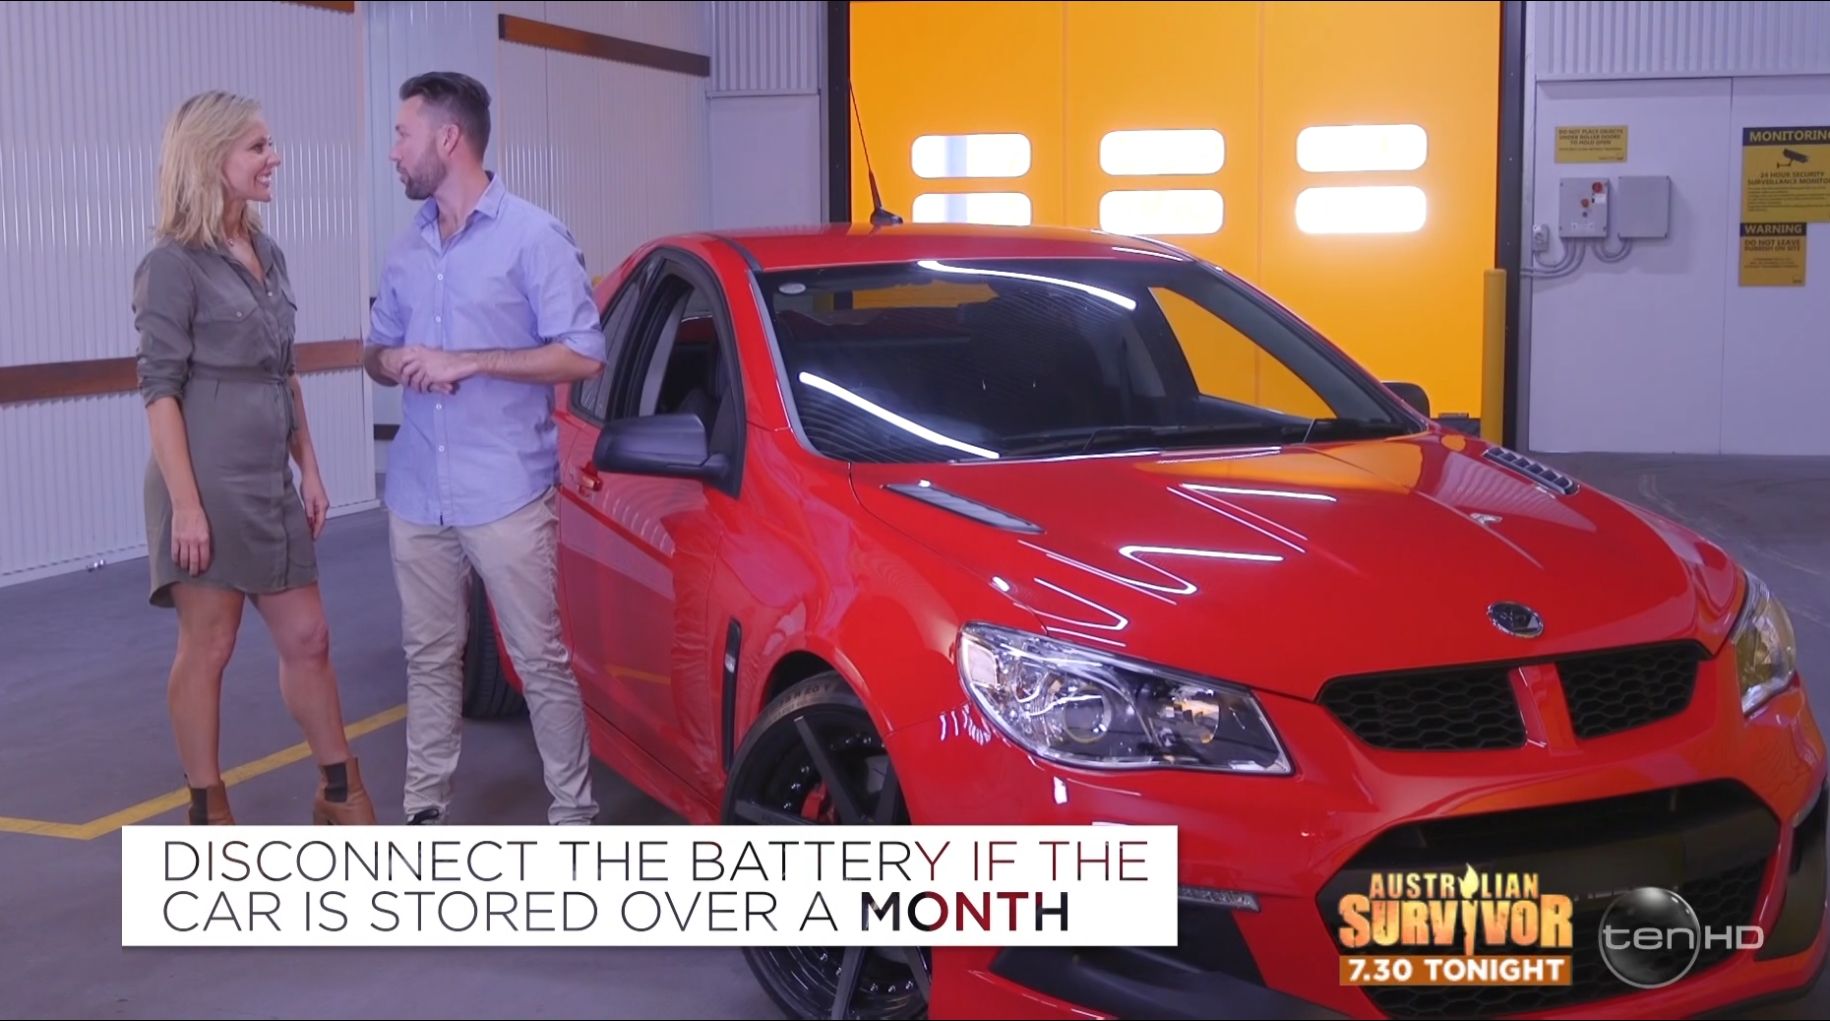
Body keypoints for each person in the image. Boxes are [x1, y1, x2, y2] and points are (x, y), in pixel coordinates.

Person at [363, 71, 603, 826]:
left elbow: (583, 353)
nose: (394, 152)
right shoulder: (407, 247)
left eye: (402, 135)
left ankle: (574, 815)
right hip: (417, 492)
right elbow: (374, 351)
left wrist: (470, 361)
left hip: (505, 491)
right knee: (430, 658)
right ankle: (424, 813)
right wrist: (394, 359)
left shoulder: (534, 238)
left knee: (539, 659)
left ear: (448, 138)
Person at [134, 91, 376, 826]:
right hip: (204, 484)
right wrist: (186, 505)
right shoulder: (172, 266)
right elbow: (160, 391)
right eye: (258, 147)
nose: (275, 158)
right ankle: (207, 810)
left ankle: (338, 790)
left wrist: (311, 466)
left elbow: (284, 371)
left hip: (270, 480)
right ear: (213, 158)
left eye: (270, 144)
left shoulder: (268, 253)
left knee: (309, 636)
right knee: (209, 645)